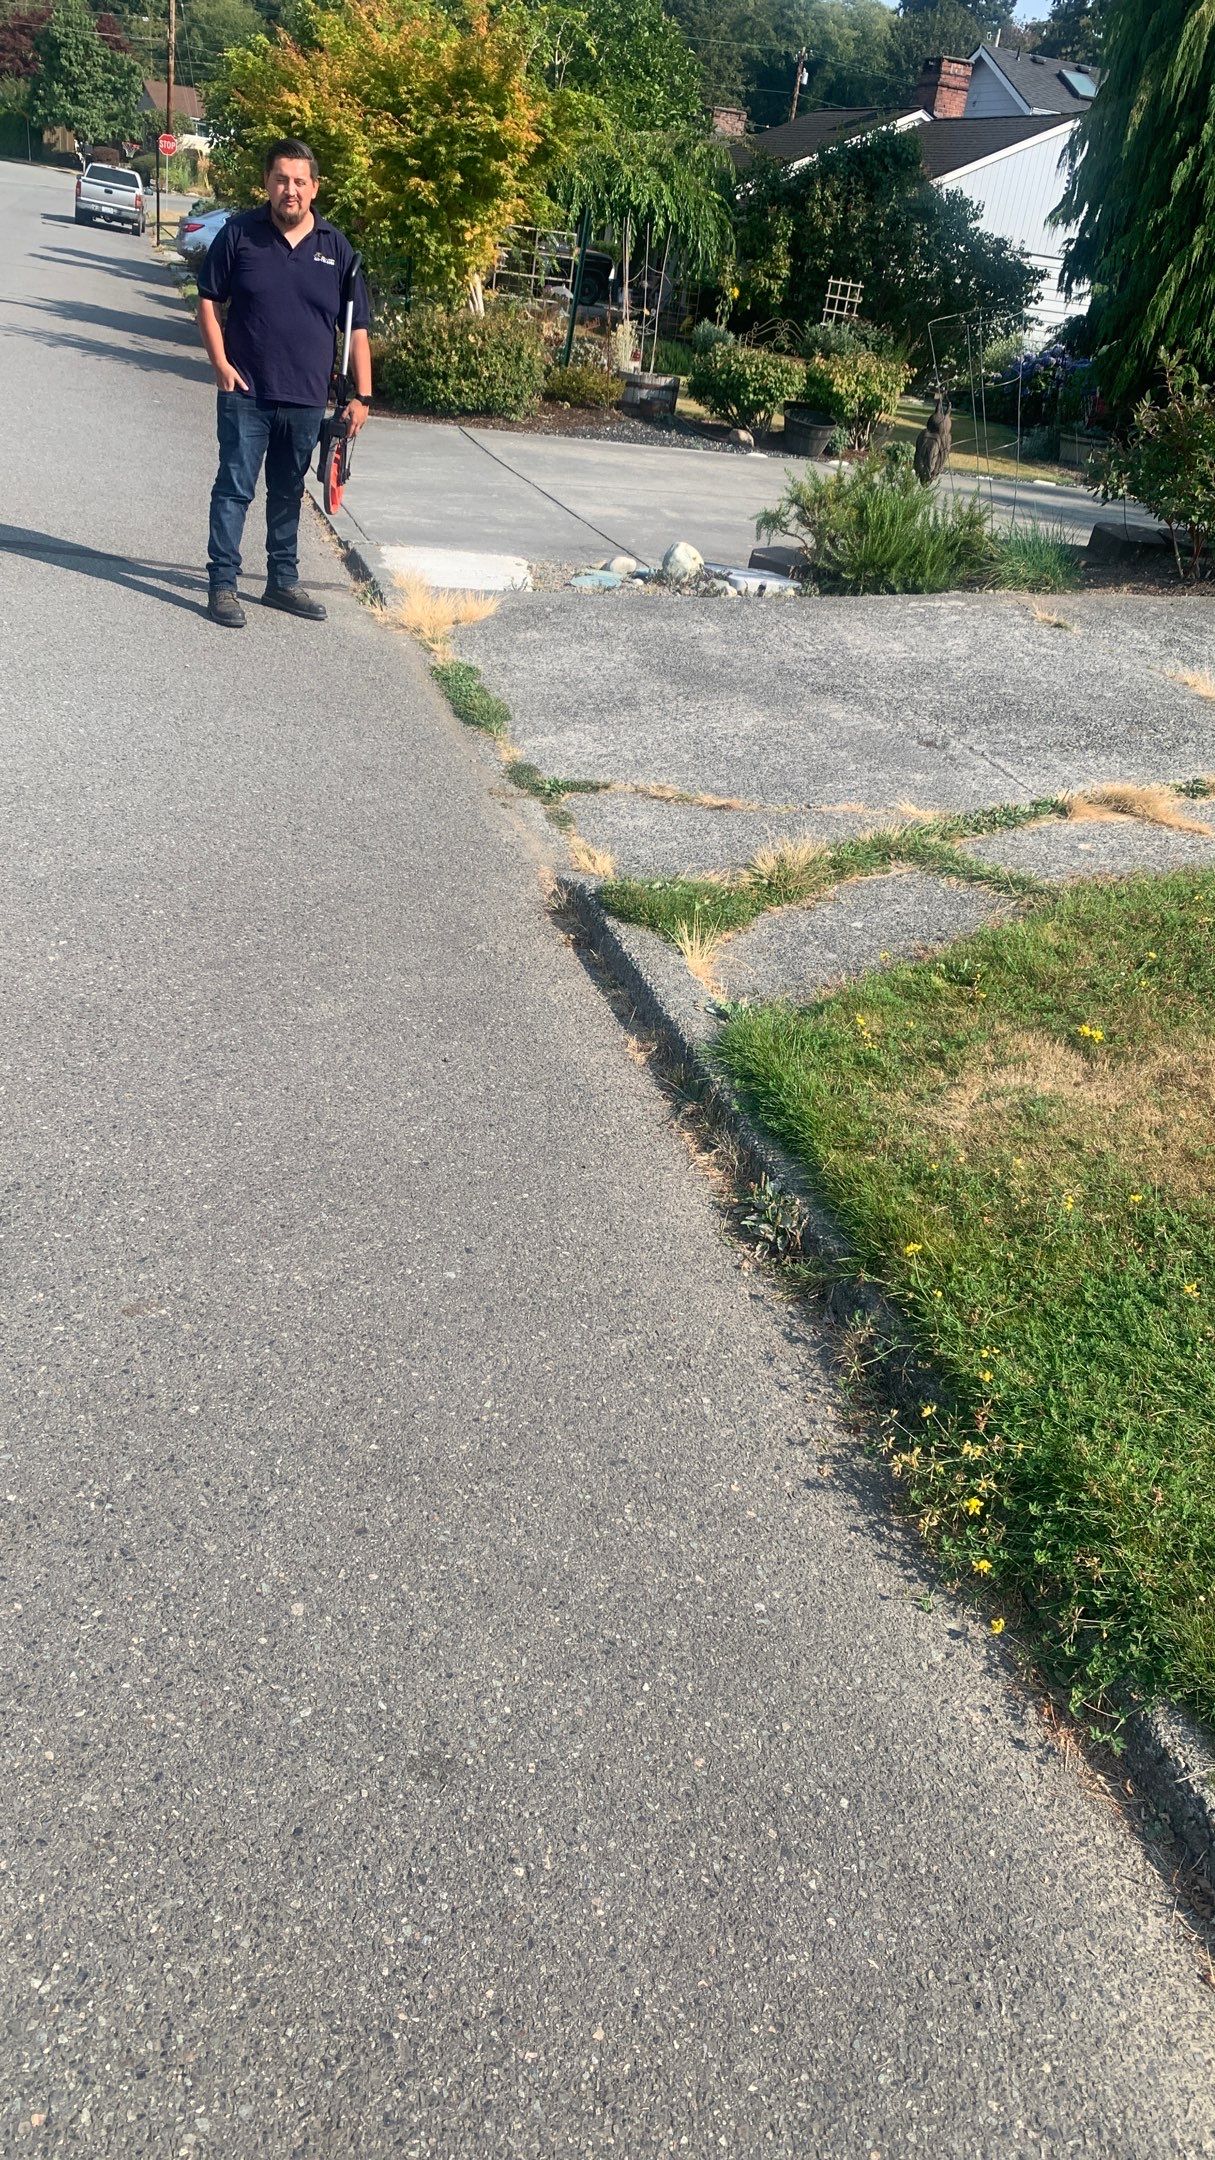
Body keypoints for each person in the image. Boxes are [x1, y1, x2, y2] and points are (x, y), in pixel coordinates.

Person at [196, 138, 372, 629]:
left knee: (288, 491)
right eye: (280, 179)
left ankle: (282, 581)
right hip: (245, 393)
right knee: (233, 489)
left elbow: (357, 328)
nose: (289, 190)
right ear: (267, 184)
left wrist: (363, 396)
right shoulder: (239, 234)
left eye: (299, 181)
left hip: (305, 399)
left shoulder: (337, 249)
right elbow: (208, 300)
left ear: (314, 188)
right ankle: (223, 584)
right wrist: (219, 363)